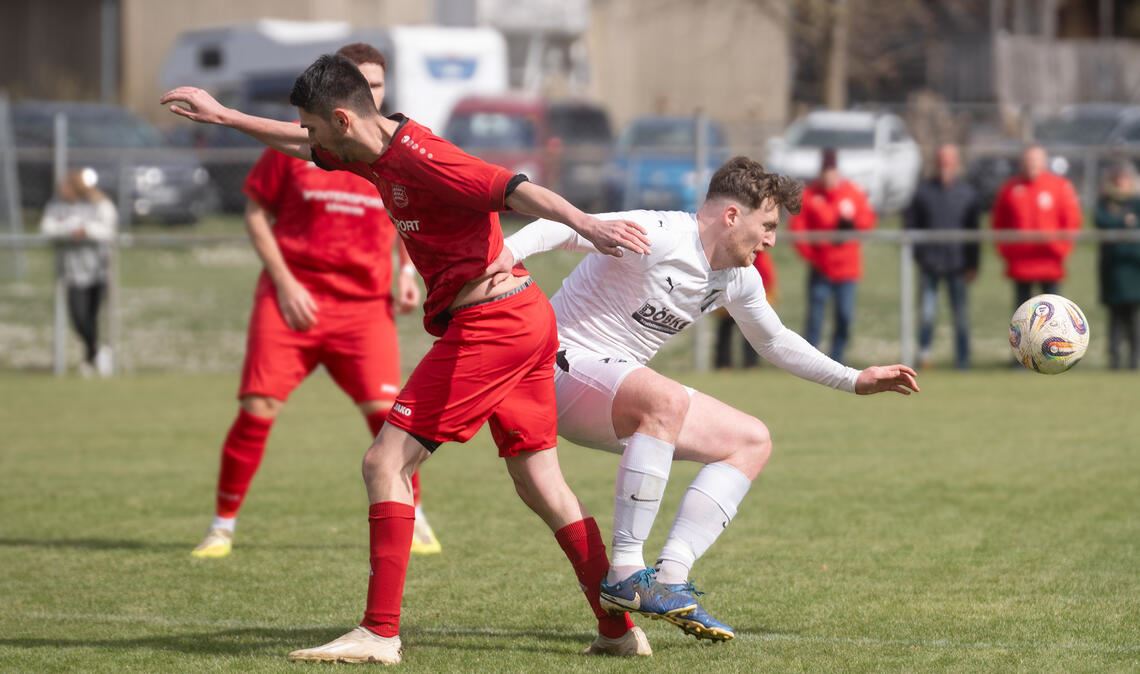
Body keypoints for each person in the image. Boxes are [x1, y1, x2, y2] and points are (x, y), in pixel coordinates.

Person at [162, 53, 653, 664]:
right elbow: (296, 144)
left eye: (316, 128)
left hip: (494, 325)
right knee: (541, 483)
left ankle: (379, 632)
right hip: (522, 319)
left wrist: (590, 225)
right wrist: (225, 115)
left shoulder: (421, 157)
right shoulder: (372, 152)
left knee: (384, 463)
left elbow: (514, 189)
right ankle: (617, 632)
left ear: (342, 120)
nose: (310, 141)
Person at [500, 156, 919, 641]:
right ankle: (625, 572)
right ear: (731, 216)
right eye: (768, 225)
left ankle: (672, 578)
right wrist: (501, 258)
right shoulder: (659, 233)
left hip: (613, 388)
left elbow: (775, 341)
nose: (771, 240)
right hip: (553, 367)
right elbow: (560, 229)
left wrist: (853, 378)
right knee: (666, 399)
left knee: (751, 441)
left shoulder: (737, 278)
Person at [190, 43, 444, 560]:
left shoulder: (393, 149)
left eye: (377, 85)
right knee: (257, 409)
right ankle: (221, 526)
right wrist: (285, 282)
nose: (370, 93)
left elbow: (406, 214)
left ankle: (414, 515)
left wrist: (405, 271)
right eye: (361, 84)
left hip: (363, 308)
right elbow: (256, 214)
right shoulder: (307, 145)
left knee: (390, 415)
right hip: (293, 304)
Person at [789, 147, 876, 362]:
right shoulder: (811, 195)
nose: (829, 176)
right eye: (825, 171)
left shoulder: (851, 193)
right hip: (821, 268)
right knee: (816, 317)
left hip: (846, 269)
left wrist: (852, 225)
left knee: (844, 316)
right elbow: (798, 229)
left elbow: (868, 221)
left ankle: (837, 358)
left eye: (832, 171)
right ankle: (809, 361)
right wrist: (812, 256)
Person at [903, 144, 981, 370]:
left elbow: (974, 232)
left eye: (949, 162)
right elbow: (911, 226)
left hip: (958, 265)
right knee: (927, 314)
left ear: (956, 164)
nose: (945, 166)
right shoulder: (923, 192)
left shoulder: (967, 194)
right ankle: (924, 355)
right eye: (941, 161)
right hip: (931, 265)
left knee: (960, 316)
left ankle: (963, 360)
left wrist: (973, 264)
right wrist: (920, 257)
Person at [39, 167, 117, 377]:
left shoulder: (99, 204)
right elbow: (46, 228)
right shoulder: (57, 207)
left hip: (98, 271)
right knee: (79, 317)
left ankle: (90, 359)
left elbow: (108, 229)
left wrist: (87, 230)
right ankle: (97, 353)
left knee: (91, 317)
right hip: (73, 273)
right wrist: (69, 230)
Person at [992, 144, 1081, 309]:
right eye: (1028, 160)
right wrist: (1008, 251)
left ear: (1044, 162)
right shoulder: (1010, 189)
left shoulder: (1059, 186)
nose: (1031, 164)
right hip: (1021, 263)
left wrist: (1060, 248)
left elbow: (1071, 221)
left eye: (1035, 160)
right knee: (1023, 316)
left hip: (1050, 262)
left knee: (1053, 315)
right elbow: (999, 223)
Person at [1094, 160, 1140, 370]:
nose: (1121, 183)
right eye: (1118, 178)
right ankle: (1114, 360)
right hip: (1112, 269)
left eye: (1125, 179)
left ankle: (1135, 359)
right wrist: (1124, 222)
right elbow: (1103, 222)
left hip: (1134, 268)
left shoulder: (1136, 203)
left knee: (1134, 319)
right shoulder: (1105, 202)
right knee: (1115, 318)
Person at [713, 250, 777, 369]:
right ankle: (723, 364)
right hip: (729, 297)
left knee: (750, 331)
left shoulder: (760, 256)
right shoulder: (730, 254)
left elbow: (767, 276)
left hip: (748, 299)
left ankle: (750, 363)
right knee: (726, 329)